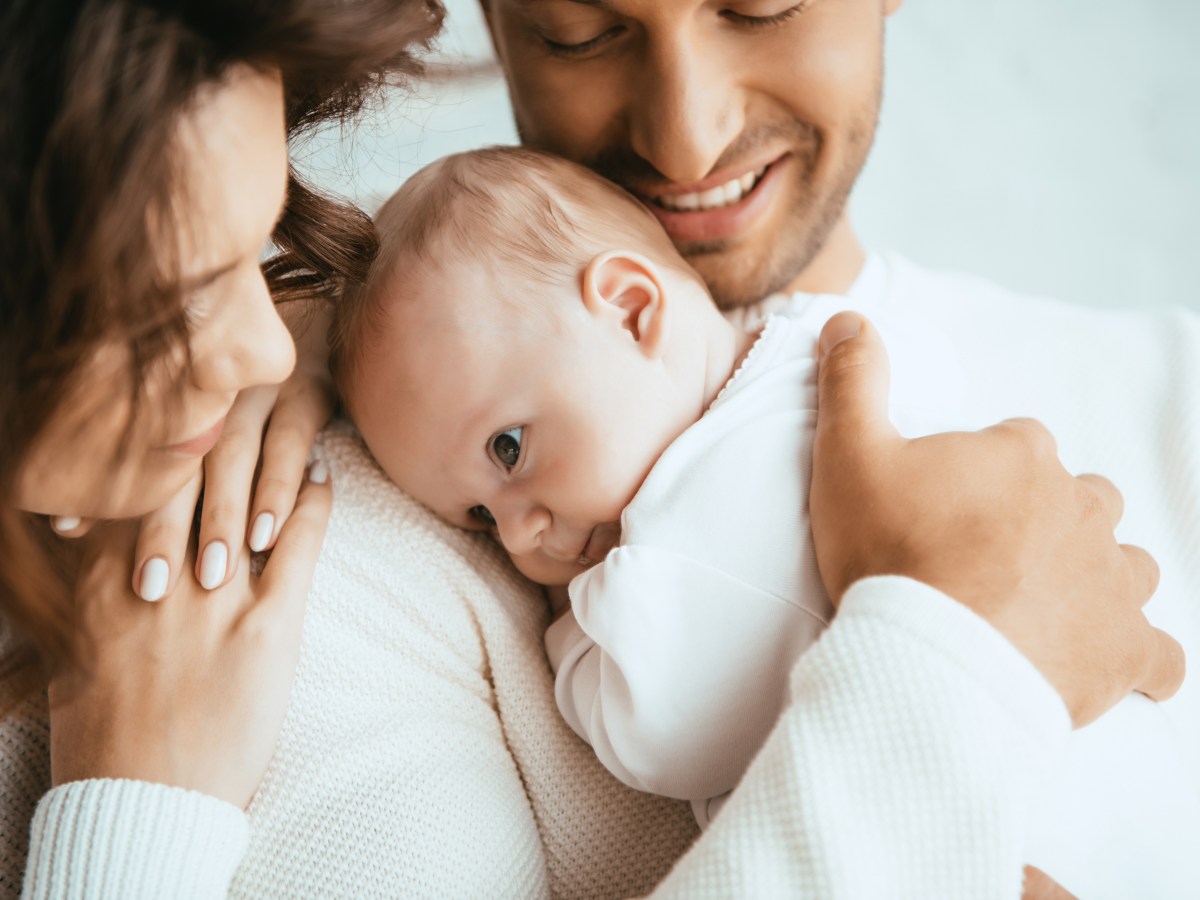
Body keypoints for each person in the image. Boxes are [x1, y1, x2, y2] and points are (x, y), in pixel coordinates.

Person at [0, 1, 1186, 899]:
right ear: (497, 22)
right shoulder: (301, 508)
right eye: (578, 31)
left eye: (760, 2)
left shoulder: (1166, 389)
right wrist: (953, 665)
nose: (688, 134)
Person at [335, 145, 1200, 896]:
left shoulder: (658, 562)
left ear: (635, 310)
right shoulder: (829, 342)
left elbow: (660, 741)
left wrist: (571, 641)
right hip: (1141, 799)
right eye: (480, 518)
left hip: (1000, 836)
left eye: (511, 450)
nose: (519, 534)